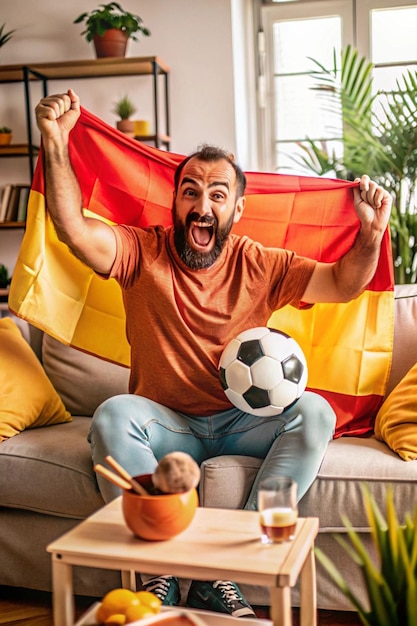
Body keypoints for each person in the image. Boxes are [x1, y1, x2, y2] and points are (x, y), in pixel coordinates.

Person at [35, 89, 392, 618]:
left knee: (314, 410)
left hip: (243, 421)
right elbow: (72, 227)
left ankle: (223, 572)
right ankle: (159, 575)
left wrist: (371, 232)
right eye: (191, 191)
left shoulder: (260, 263)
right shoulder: (142, 250)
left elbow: (342, 283)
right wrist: (54, 141)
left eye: (218, 195)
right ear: (175, 200)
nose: (203, 206)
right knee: (112, 414)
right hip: (166, 422)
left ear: (238, 208)